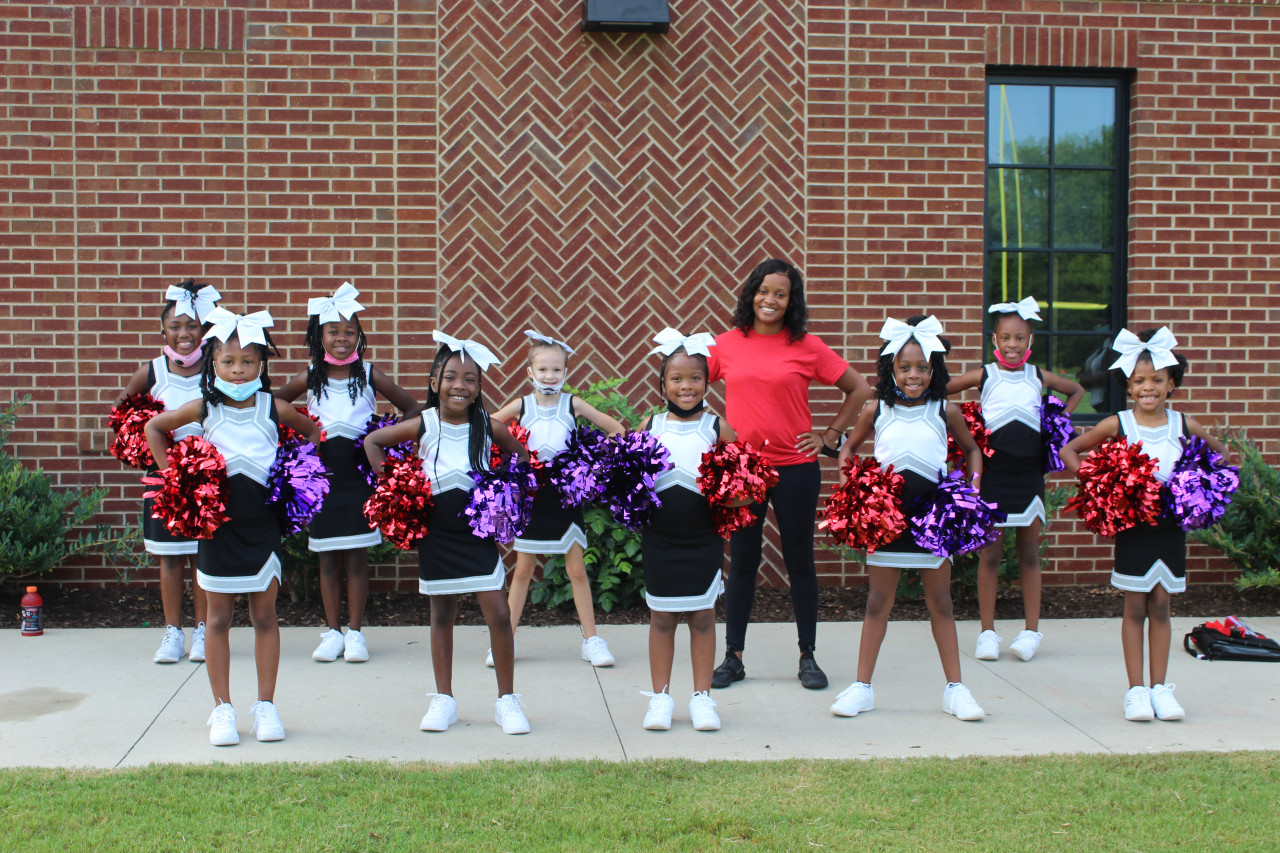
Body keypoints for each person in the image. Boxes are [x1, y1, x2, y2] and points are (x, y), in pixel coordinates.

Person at [144, 306, 322, 746]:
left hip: (262, 528)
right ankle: (222, 708)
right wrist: (176, 481)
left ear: (262, 365)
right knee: (219, 619)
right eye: (228, 361)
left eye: (247, 362)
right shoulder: (203, 407)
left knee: (265, 615)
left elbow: (313, 434)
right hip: (218, 529)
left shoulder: (274, 406)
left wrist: (297, 473)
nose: (238, 370)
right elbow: (154, 428)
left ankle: (265, 706)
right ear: (213, 364)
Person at [708, 259, 872, 691]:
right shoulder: (724, 345)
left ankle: (808, 656)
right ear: (751, 293)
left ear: (790, 300)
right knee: (742, 564)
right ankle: (733, 657)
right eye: (764, 291)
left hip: (796, 468)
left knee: (800, 563)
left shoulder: (807, 345)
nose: (771, 300)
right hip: (744, 471)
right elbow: (680, 385)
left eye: (781, 293)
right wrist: (712, 433)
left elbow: (859, 389)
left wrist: (831, 435)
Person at [363, 332, 531, 735]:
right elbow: (373, 442)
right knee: (441, 613)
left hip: (475, 531)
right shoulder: (424, 422)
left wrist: (505, 489)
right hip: (436, 530)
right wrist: (395, 488)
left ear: (478, 388)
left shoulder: (488, 426)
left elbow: (521, 456)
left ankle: (507, 700)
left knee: (500, 612)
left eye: (470, 379)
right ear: (435, 382)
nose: (460, 385)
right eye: (451, 377)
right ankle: (444, 699)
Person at [1061, 327, 1227, 722]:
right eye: (1139, 381)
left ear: (1172, 383)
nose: (1148, 387)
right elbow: (1070, 449)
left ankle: (1160, 690)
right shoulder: (1117, 424)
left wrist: (1198, 486)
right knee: (1135, 605)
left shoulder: (1184, 425)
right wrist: (1099, 483)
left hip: (1170, 528)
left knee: (1162, 605)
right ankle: (1135, 691)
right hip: (1134, 527)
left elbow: (1221, 456)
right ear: (1128, 386)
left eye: (1156, 380)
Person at [830, 315, 986, 722]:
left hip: (933, 518)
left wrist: (971, 487)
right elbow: (849, 449)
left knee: (942, 603)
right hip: (889, 518)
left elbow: (972, 450)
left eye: (922, 367)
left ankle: (956, 689)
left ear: (933, 369)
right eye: (904, 367)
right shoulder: (875, 408)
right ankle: (862, 687)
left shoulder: (944, 409)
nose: (913, 375)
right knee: (878, 602)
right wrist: (851, 481)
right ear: (890, 369)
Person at [274, 283, 419, 664]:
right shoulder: (311, 375)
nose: (342, 338)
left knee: (356, 558)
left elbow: (411, 409)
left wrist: (388, 443)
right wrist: (298, 446)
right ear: (318, 336)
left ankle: (356, 633)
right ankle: (332, 631)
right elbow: (275, 405)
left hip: (357, 476)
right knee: (325, 558)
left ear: (360, 335)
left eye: (349, 331)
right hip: (321, 479)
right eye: (333, 331)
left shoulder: (370, 374)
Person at [946, 297, 1084, 662]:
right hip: (993, 474)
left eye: (1019, 338)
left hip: (1028, 475)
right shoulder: (984, 374)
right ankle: (987, 632)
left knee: (1028, 553)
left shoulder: (1038, 376)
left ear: (1030, 341)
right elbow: (940, 392)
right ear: (995, 340)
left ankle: (1030, 631)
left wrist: (1056, 420)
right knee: (989, 554)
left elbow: (1076, 391)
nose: (1012, 345)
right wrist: (956, 426)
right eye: (1006, 338)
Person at [489, 330, 626, 668]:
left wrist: (595, 460)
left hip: (565, 496)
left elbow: (617, 430)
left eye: (557, 370)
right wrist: (510, 456)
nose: (550, 376)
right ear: (529, 372)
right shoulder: (522, 405)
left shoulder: (573, 403)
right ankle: (507, 640)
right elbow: (488, 425)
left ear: (566, 372)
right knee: (522, 570)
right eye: (543, 370)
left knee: (576, 569)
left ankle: (591, 640)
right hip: (532, 494)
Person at [638, 330, 740, 732]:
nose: (686, 386)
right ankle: (661, 699)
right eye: (677, 378)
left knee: (702, 616)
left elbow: (743, 484)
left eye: (695, 378)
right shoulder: (650, 423)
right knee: (661, 619)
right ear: (662, 383)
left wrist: (739, 497)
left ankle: (702, 699)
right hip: (660, 537)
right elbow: (630, 478)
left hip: (703, 537)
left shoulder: (718, 427)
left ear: (707, 382)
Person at [116, 279, 220, 665]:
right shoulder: (153, 370)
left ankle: (204, 631)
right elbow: (123, 409)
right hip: (165, 476)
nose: (183, 334)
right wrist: (139, 438)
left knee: (204, 556)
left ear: (204, 328)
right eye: (175, 326)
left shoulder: (219, 365)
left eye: (191, 326)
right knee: (170, 557)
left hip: (209, 477)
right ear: (164, 330)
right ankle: (172, 631)